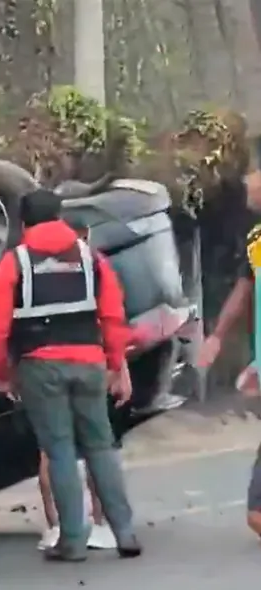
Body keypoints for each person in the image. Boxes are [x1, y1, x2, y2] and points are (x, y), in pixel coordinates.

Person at [0, 187, 141, 562]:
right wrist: (115, 364)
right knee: (101, 446)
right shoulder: (92, 259)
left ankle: (73, 540)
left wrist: (1, 372)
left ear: (23, 223)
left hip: (40, 366)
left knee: (60, 451)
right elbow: (114, 316)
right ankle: (125, 532)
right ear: (58, 216)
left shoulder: (15, 262)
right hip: (89, 362)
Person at [200, 166, 261, 536]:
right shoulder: (256, 240)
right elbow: (244, 290)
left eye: (252, 191)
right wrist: (218, 336)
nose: (248, 199)